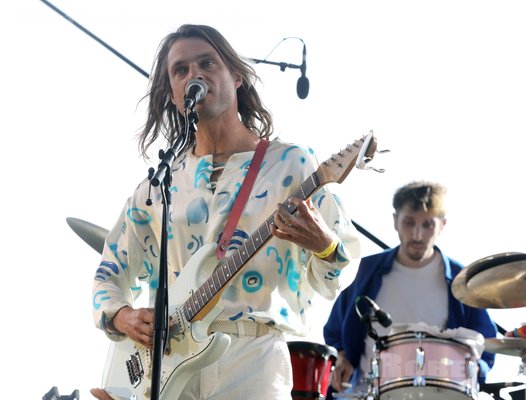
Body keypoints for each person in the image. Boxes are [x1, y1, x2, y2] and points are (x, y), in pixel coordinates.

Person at [91, 24, 360, 400]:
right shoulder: (159, 185)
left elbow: (334, 272)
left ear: (236, 76)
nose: (194, 75)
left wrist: (324, 245)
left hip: (252, 355)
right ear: (172, 94)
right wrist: (122, 316)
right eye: (180, 70)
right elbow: (109, 274)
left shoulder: (290, 165)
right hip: (168, 362)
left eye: (207, 63)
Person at [323, 180, 497, 399]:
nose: (417, 235)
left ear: (443, 225)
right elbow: (334, 331)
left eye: (427, 225)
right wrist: (342, 357)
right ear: (395, 221)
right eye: (409, 222)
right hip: (365, 394)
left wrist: (471, 373)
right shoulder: (363, 271)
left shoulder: (462, 281)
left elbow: (487, 345)